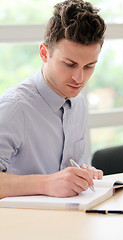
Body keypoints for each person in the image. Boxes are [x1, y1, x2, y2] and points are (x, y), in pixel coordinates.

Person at [0, 0, 106, 199]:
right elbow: (53, 182)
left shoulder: (78, 103)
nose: (79, 79)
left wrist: (81, 175)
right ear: (44, 53)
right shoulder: (14, 107)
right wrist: (47, 183)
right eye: (69, 64)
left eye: (89, 66)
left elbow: (65, 171)